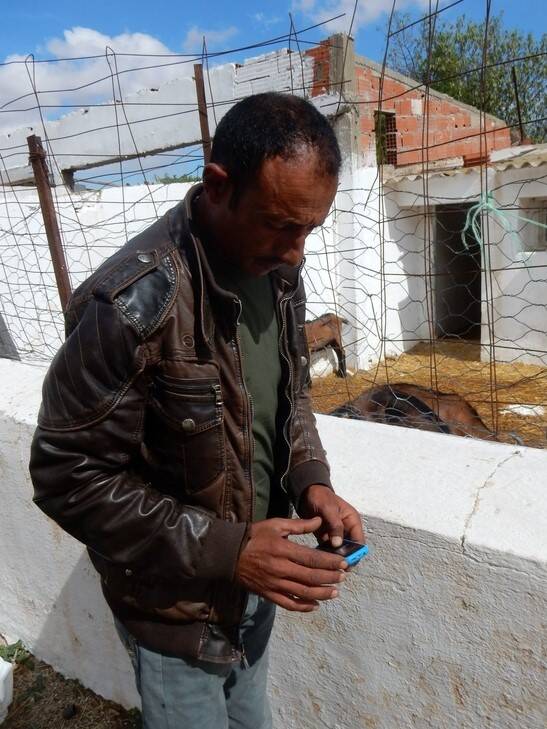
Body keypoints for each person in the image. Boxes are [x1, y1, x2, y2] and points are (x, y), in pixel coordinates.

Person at [29, 92, 365, 729]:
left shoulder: (277, 272)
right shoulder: (129, 304)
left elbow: (288, 397)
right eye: (280, 225)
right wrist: (230, 550)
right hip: (177, 617)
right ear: (217, 185)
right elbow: (65, 477)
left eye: (309, 229)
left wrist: (311, 481)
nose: (297, 251)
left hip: (253, 593)